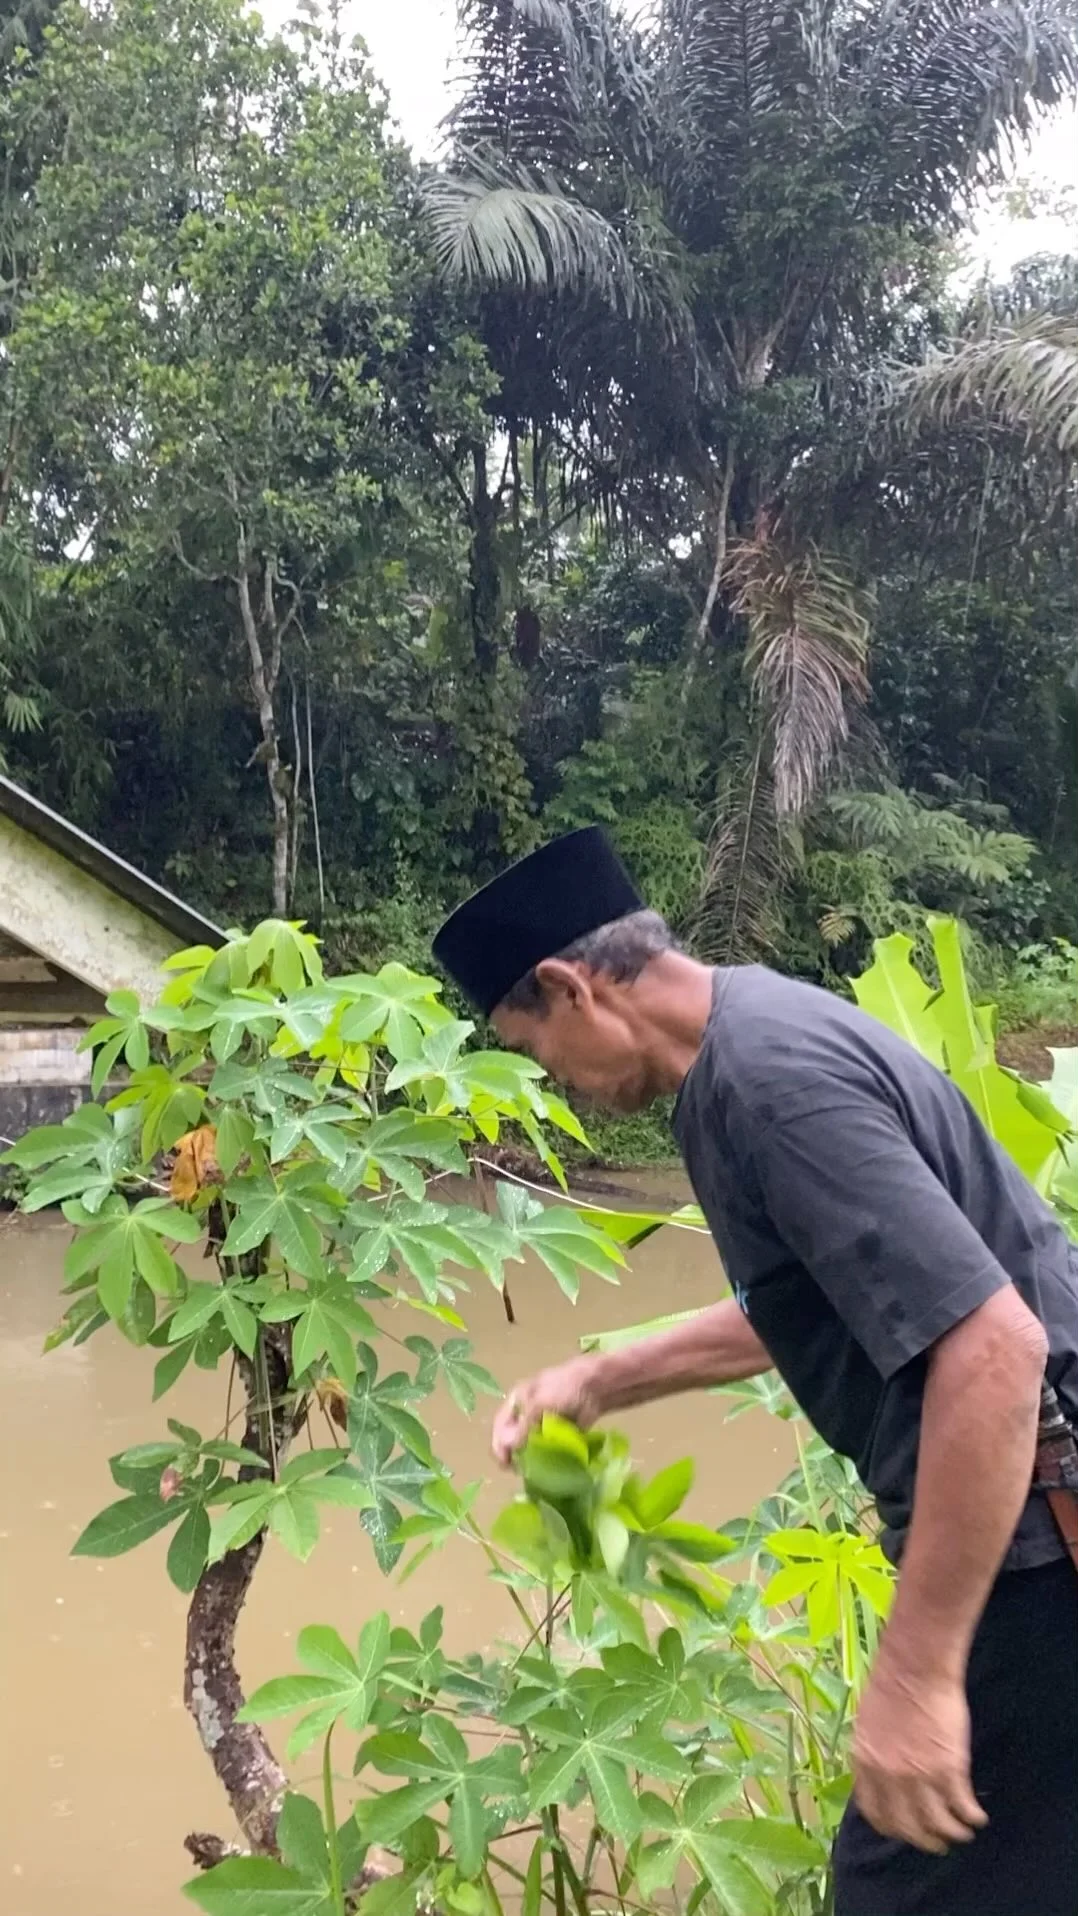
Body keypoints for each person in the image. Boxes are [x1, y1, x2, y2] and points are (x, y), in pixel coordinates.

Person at [433, 825, 1078, 1916]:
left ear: (571, 987)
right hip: (1032, 1525)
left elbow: (992, 1348)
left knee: (897, 1889)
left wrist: (915, 1672)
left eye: (537, 1052)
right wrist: (603, 1379)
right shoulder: (753, 1030)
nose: (560, 1085)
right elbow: (843, 1294)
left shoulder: (768, 1087)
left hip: (1039, 1538)